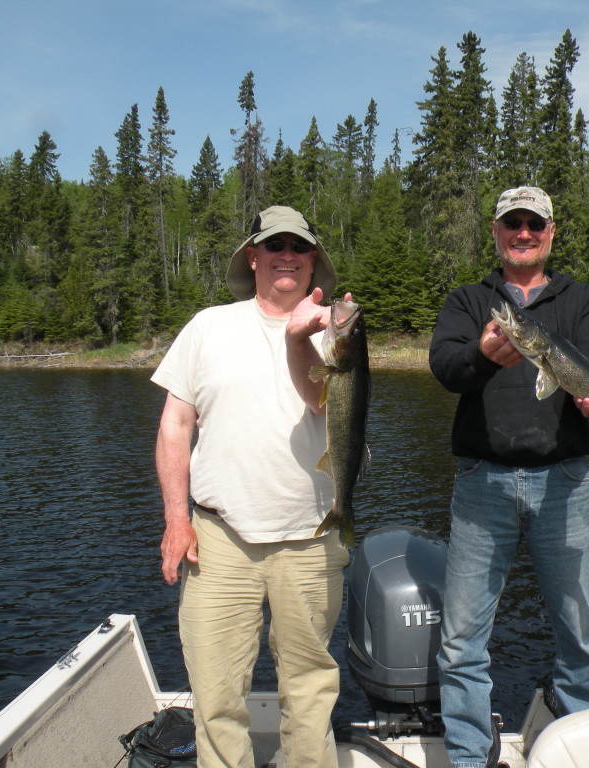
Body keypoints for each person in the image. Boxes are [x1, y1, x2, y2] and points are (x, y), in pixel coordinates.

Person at [152, 205, 351, 768]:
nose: (287, 254)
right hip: (217, 540)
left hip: (311, 539)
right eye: (275, 245)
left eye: (300, 246)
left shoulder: (337, 328)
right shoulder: (208, 325)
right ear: (254, 257)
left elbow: (324, 401)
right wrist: (175, 518)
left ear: (314, 262)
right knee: (215, 698)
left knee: (309, 695)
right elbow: (175, 424)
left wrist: (306, 336)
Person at [429, 186, 589, 768]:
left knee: (580, 639)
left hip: (565, 485)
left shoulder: (583, 301)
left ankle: (588, 751)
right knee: (462, 644)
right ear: (496, 231)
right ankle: (467, 757)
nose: (524, 233)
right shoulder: (469, 301)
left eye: (535, 223)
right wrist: (485, 355)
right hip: (481, 487)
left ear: (551, 232)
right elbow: (447, 369)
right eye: (514, 223)